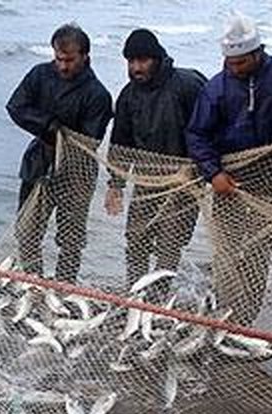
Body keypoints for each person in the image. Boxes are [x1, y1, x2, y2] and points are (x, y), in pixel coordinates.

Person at [186, 15, 272, 326]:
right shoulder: (215, 88)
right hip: (228, 183)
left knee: (259, 255)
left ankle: (245, 320)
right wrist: (213, 173)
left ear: (258, 54)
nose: (234, 68)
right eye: (229, 61)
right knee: (226, 252)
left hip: (270, 182)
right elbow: (197, 134)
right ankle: (223, 317)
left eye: (241, 62)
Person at [6, 23, 112, 284]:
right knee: (27, 230)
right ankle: (34, 282)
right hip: (39, 162)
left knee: (71, 238)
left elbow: (91, 141)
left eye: (70, 60)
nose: (63, 66)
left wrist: (61, 136)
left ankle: (64, 285)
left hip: (77, 172)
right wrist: (48, 126)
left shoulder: (97, 95)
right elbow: (16, 106)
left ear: (85, 56)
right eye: (58, 59)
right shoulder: (40, 75)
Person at [106, 29, 207, 295]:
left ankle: (160, 299)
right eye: (131, 61)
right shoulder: (128, 95)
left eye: (142, 60)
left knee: (169, 242)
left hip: (184, 180)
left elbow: (208, 130)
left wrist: (204, 170)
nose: (136, 67)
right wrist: (115, 184)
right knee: (136, 238)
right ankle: (136, 294)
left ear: (157, 59)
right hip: (146, 179)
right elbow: (120, 143)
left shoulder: (187, 85)